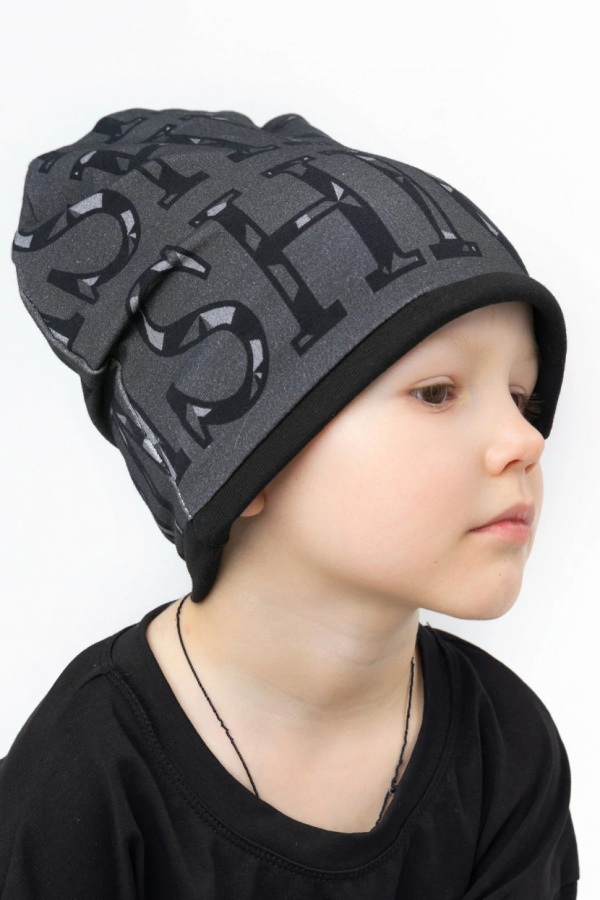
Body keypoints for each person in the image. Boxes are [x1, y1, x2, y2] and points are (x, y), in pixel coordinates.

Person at [1, 107, 579, 898]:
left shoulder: (505, 749)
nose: (525, 440)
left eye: (521, 397)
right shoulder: (85, 777)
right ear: (243, 456)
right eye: (438, 392)